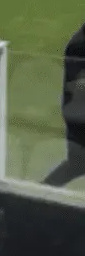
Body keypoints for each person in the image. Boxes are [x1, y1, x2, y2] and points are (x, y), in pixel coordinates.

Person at [44, 21, 85, 186]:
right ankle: (41, 194)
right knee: (78, 164)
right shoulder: (78, 45)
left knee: (78, 165)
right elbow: (77, 85)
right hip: (79, 116)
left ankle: (41, 194)